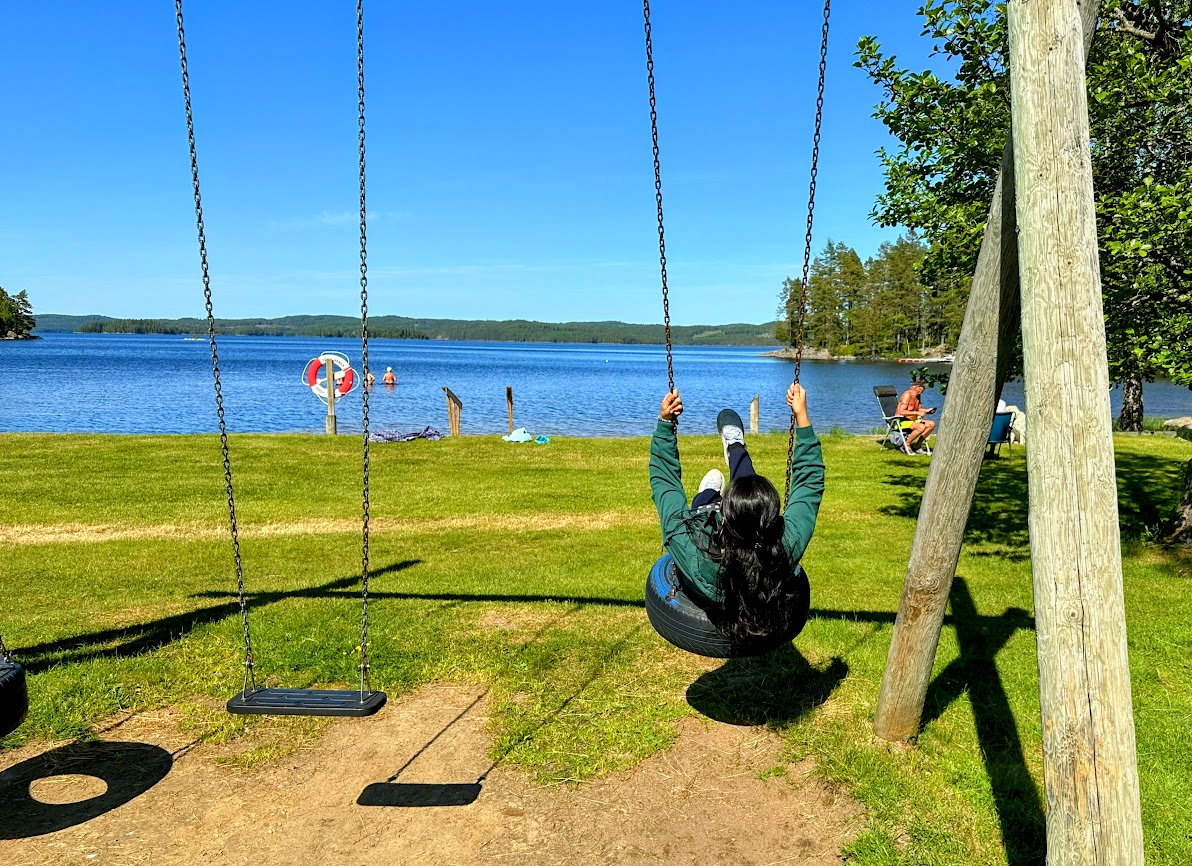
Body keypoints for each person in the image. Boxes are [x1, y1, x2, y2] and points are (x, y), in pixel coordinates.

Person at [649, 383, 825, 651]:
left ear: (724, 518)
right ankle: (735, 448)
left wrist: (665, 424)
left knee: (703, 506)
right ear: (773, 520)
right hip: (744, 519)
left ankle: (710, 492)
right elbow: (809, 484)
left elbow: (666, 484)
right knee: (749, 492)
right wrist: (802, 416)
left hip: (710, 514)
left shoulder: (692, 547)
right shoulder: (786, 543)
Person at [896, 380, 936, 453]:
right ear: (917, 387)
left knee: (931, 424)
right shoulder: (907, 395)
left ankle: (917, 446)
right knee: (921, 427)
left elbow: (917, 409)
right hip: (901, 421)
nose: (923, 390)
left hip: (913, 421)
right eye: (923, 388)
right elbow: (901, 411)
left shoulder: (918, 396)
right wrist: (917, 413)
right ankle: (906, 445)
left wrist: (926, 410)